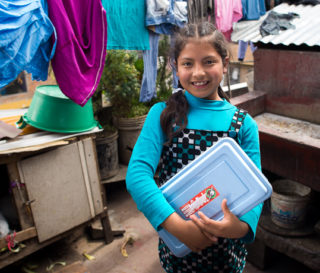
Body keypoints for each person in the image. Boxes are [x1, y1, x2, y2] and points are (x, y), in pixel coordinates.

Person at [126, 21, 263, 273]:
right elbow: (137, 176)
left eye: (209, 61)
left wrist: (240, 227)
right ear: (175, 67)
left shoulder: (243, 125)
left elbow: (254, 189)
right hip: (177, 247)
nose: (198, 73)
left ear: (225, 63)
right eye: (188, 63)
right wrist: (178, 227)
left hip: (227, 254)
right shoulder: (163, 115)